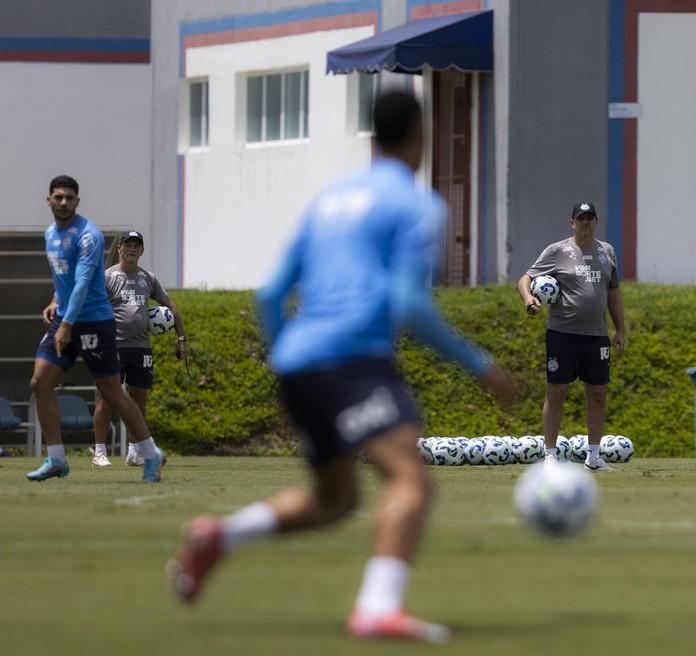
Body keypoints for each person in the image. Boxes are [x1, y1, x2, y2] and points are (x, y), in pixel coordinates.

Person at [166, 91, 515, 643]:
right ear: (420, 135)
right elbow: (408, 304)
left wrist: (285, 358)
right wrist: (479, 363)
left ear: (373, 137)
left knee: (336, 501)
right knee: (410, 481)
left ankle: (218, 536)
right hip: (352, 360)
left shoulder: (328, 200)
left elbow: (271, 294)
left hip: (299, 363)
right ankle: (377, 608)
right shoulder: (416, 205)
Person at [28, 175, 166, 482]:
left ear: (77, 201)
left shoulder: (89, 236)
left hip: (93, 322)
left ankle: (150, 452)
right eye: (58, 197)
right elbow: (64, 281)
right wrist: (54, 302)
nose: (63, 202)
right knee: (40, 383)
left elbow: (81, 283)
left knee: (112, 393)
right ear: (48, 200)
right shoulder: (50, 234)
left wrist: (67, 324)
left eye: (69, 198)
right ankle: (56, 460)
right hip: (65, 317)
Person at [516, 201, 626, 471]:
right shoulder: (557, 251)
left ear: (596, 221)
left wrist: (620, 329)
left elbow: (613, 293)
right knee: (556, 392)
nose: (586, 222)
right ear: (572, 223)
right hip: (562, 334)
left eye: (590, 218)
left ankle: (594, 456)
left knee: (598, 394)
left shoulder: (607, 252)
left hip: (596, 336)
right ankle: (551, 456)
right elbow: (525, 279)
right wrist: (529, 298)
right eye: (581, 218)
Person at [80, 230, 186, 467]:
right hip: (112, 346)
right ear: (119, 249)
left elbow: (171, 306)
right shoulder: (107, 277)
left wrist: (181, 339)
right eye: (127, 245)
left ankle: (134, 452)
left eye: (136, 245)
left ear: (142, 250)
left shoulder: (148, 278)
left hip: (141, 348)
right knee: (107, 398)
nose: (132, 249)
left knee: (139, 399)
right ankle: (99, 452)